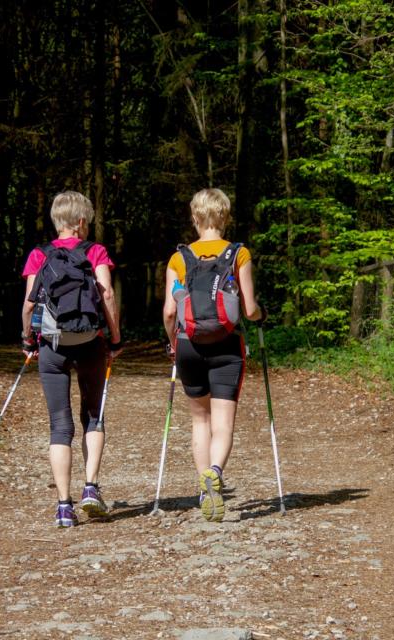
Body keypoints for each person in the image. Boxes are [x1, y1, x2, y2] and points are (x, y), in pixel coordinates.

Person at [21, 191, 122, 528]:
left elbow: (30, 305)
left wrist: (27, 339)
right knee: (93, 414)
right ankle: (90, 487)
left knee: (59, 425)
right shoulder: (95, 252)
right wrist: (115, 337)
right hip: (90, 341)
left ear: (57, 221)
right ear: (81, 222)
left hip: (52, 345)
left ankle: (64, 506)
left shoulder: (39, 255)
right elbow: (106, 295)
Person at [162, 188, 264, 522]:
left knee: (199, 420)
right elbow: (248, 310)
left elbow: (168, 311)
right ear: (225, 217)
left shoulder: (179, 258)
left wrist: (172, 344)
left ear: (195, 218)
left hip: (188, 344)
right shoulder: (238, 254)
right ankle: (216, 471)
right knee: (223, 423)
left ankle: (204, 489)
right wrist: (261, 315)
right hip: (226, 345)